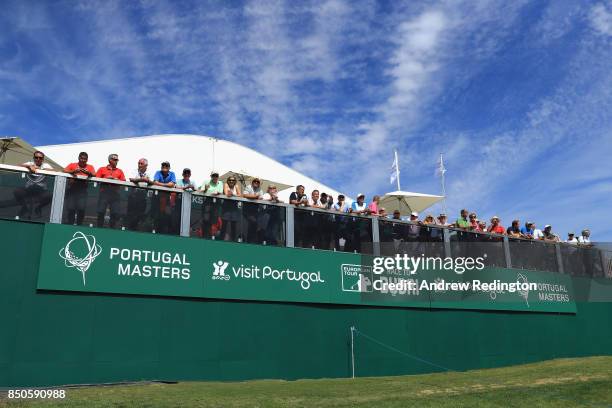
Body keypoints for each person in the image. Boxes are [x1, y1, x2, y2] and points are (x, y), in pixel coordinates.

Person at [14, 151, 53, 219]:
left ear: (42, 159)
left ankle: (38, 208)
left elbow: (54, 172)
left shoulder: (45, 165)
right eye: (36, 157)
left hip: (41, 189)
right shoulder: (30, 163)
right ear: (33, 158)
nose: (38, 159)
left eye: (40, 158)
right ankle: (24, 207)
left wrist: (40, 169)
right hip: (29, 189)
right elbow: (17, 166)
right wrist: (29, 166)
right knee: (17, 192)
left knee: (50, 196)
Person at [63, 152, 95, 225]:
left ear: (87, 160)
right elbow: (64, 170)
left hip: (83, 190)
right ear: (78, 158)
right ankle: (70, 224)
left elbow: (94, 174)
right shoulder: (72, 164)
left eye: (85, 159)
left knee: (81, 208)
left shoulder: (90, 166)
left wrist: (88, 173)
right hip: (72, 189)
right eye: (81, 158)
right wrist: (73, 171)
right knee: (71, 208)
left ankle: (79, 225)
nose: (83, 160)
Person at [95, 154, 126, 228]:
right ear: (110, 160)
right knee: (101, 212)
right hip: (104, 193)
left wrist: (116, 180)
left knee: (115, 213)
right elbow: (96, 179)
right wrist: (106, 179)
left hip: (115, 194)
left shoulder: (120, 171)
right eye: (114, 160)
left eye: (117, 160)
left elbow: (124, 181)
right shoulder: (102, 169)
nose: (116, 161)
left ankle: (111, 230)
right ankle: (99, 229)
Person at [126, 158, 152, 230]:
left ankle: (136, 229)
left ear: (146, 165)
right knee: (131, 214)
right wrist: (143, 179)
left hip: (143, 197)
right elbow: (131, 179)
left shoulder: (150, 172)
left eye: (141, 164)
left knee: (140, 214)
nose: (139, 165)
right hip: (133, 196)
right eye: (139, 163)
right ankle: (129, 229)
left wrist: (147, 181)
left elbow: (153, 182)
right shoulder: (134, 171)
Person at [243, 178, 264, 243]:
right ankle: (249, 241)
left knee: (253, 225)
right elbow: (245, 195)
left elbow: (261, 198)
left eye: (257, 182)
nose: (256, 182)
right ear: (252, 182)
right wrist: (255, 197)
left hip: (255, 210)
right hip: (247, 209)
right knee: (253, 223)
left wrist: (253, 197)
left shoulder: (260, 189)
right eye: (255, 181)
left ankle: (252, 241)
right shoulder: (248, 187)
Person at [221, 176, 242, 241]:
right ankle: (221, 240)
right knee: (224, 225)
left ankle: (233, 241)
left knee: (233, 225)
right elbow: (227, 194)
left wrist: (233, 195)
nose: (231, 181)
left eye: (233, 180)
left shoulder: (236, 186)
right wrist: (233, 195)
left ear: (235, 181)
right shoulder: (225, 184)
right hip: (226, 207)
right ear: (227, 181)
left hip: (234, 208)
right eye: (230, 180)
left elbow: (240, 195)